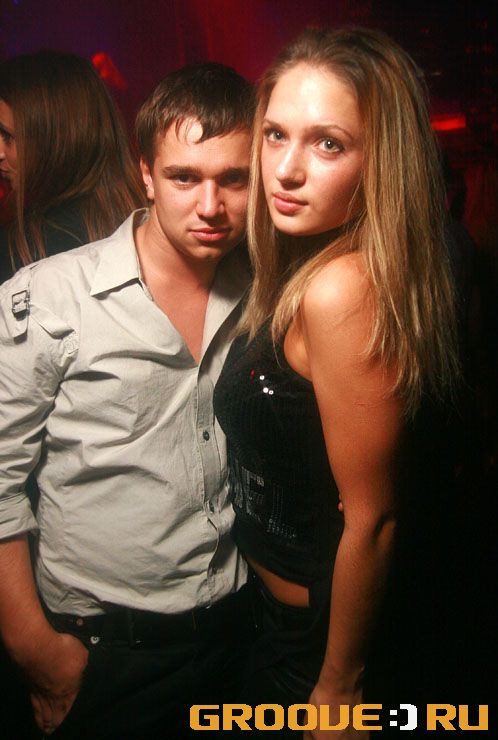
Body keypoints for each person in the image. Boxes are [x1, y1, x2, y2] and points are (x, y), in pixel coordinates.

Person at [214, 27, 460, 738]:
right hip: (274, 623)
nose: (286, 170)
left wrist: (339, 686)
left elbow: (374, 519)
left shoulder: (342, 288)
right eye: (275, 135)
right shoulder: (305, 264)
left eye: (328, 144)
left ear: (382, 162)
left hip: (314, 650)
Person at [0, 61, 254, 740]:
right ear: (146, 174)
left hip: (238, 638)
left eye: (234, 179)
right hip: (107, 656)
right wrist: (35, 649)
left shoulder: (265, 290)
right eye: (184, 178)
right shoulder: (51, 296)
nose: (210, 205)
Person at [0, 50, 145, 283]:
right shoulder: (147, 222)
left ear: (54, 139)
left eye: (7, 136)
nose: (0, 152)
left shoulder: (22, 247)